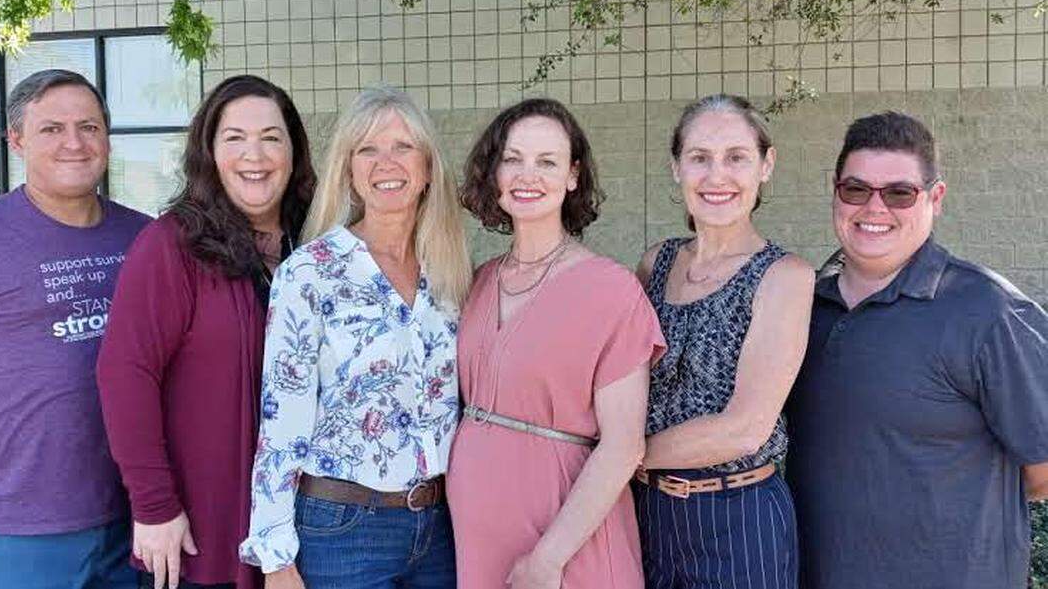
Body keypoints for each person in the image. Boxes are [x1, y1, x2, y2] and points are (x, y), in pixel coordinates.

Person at [784, 111, 1048, 589]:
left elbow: (1044, 468)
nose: (874, 208)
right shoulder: (801, 306)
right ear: (835, 191)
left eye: (900, 193)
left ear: (936, 198)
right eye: (856, 189)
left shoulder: (987, 310)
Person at [0, 69, 150, 588]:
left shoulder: (144, 237)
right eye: (51, 129)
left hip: (128, 519)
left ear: (107, 137)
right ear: (15, 140)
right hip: (9, 529)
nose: (74, 143)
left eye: (89, 126)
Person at [239, 86, 471, 589]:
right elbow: (282, 421)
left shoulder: (451, 272)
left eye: (403, 147)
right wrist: (276, 558)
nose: (386, 162)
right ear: (348, 170)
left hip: (440, 527)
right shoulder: (310, 273)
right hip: (343, 529)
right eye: (367, 149)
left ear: (428, 167)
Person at [97, 75, 316, 589]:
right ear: (209, 153)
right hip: (204, 534)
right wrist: (153, 506)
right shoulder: (172, 246)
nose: (254, 155)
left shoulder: (317, 242)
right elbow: (125, 375)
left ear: (294, 150)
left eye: (271, 137)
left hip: (312, 529)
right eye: (234, 138)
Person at [447, 97, 665, 589]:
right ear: (494, 173)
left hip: (564, 539)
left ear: (572, 176)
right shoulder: (479, 283)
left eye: (547, 162)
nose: (529, 175)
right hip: (478, 539)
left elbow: (623, 444)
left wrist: (549, 557)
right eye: (513, 159)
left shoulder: (611, 289)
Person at [633, 94, 814, 589]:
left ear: (765, 165)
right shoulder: (655, 263)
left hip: (736, 519)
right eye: (700, 158)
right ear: (677, 168)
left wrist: (617, 458)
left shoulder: (783, 276)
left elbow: (744, 428)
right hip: (643, 513)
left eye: (736, 157)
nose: (717, 177)